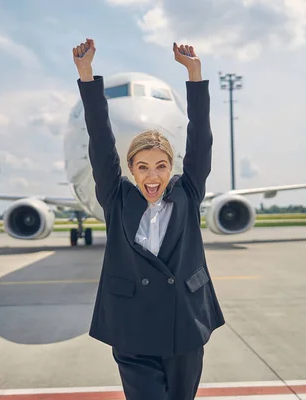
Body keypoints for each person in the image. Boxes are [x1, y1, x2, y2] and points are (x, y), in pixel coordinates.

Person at [72, 38, 225, 400]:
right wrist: (87, 76)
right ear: (131, 170)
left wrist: (195, 74)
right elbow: (100, 138)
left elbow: (201, 137)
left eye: (160, 166)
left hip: (184, 325)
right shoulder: (116, 197)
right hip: (133, 329)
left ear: (172, 167)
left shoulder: (188, 193)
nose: (152, 176)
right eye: (143, 167)